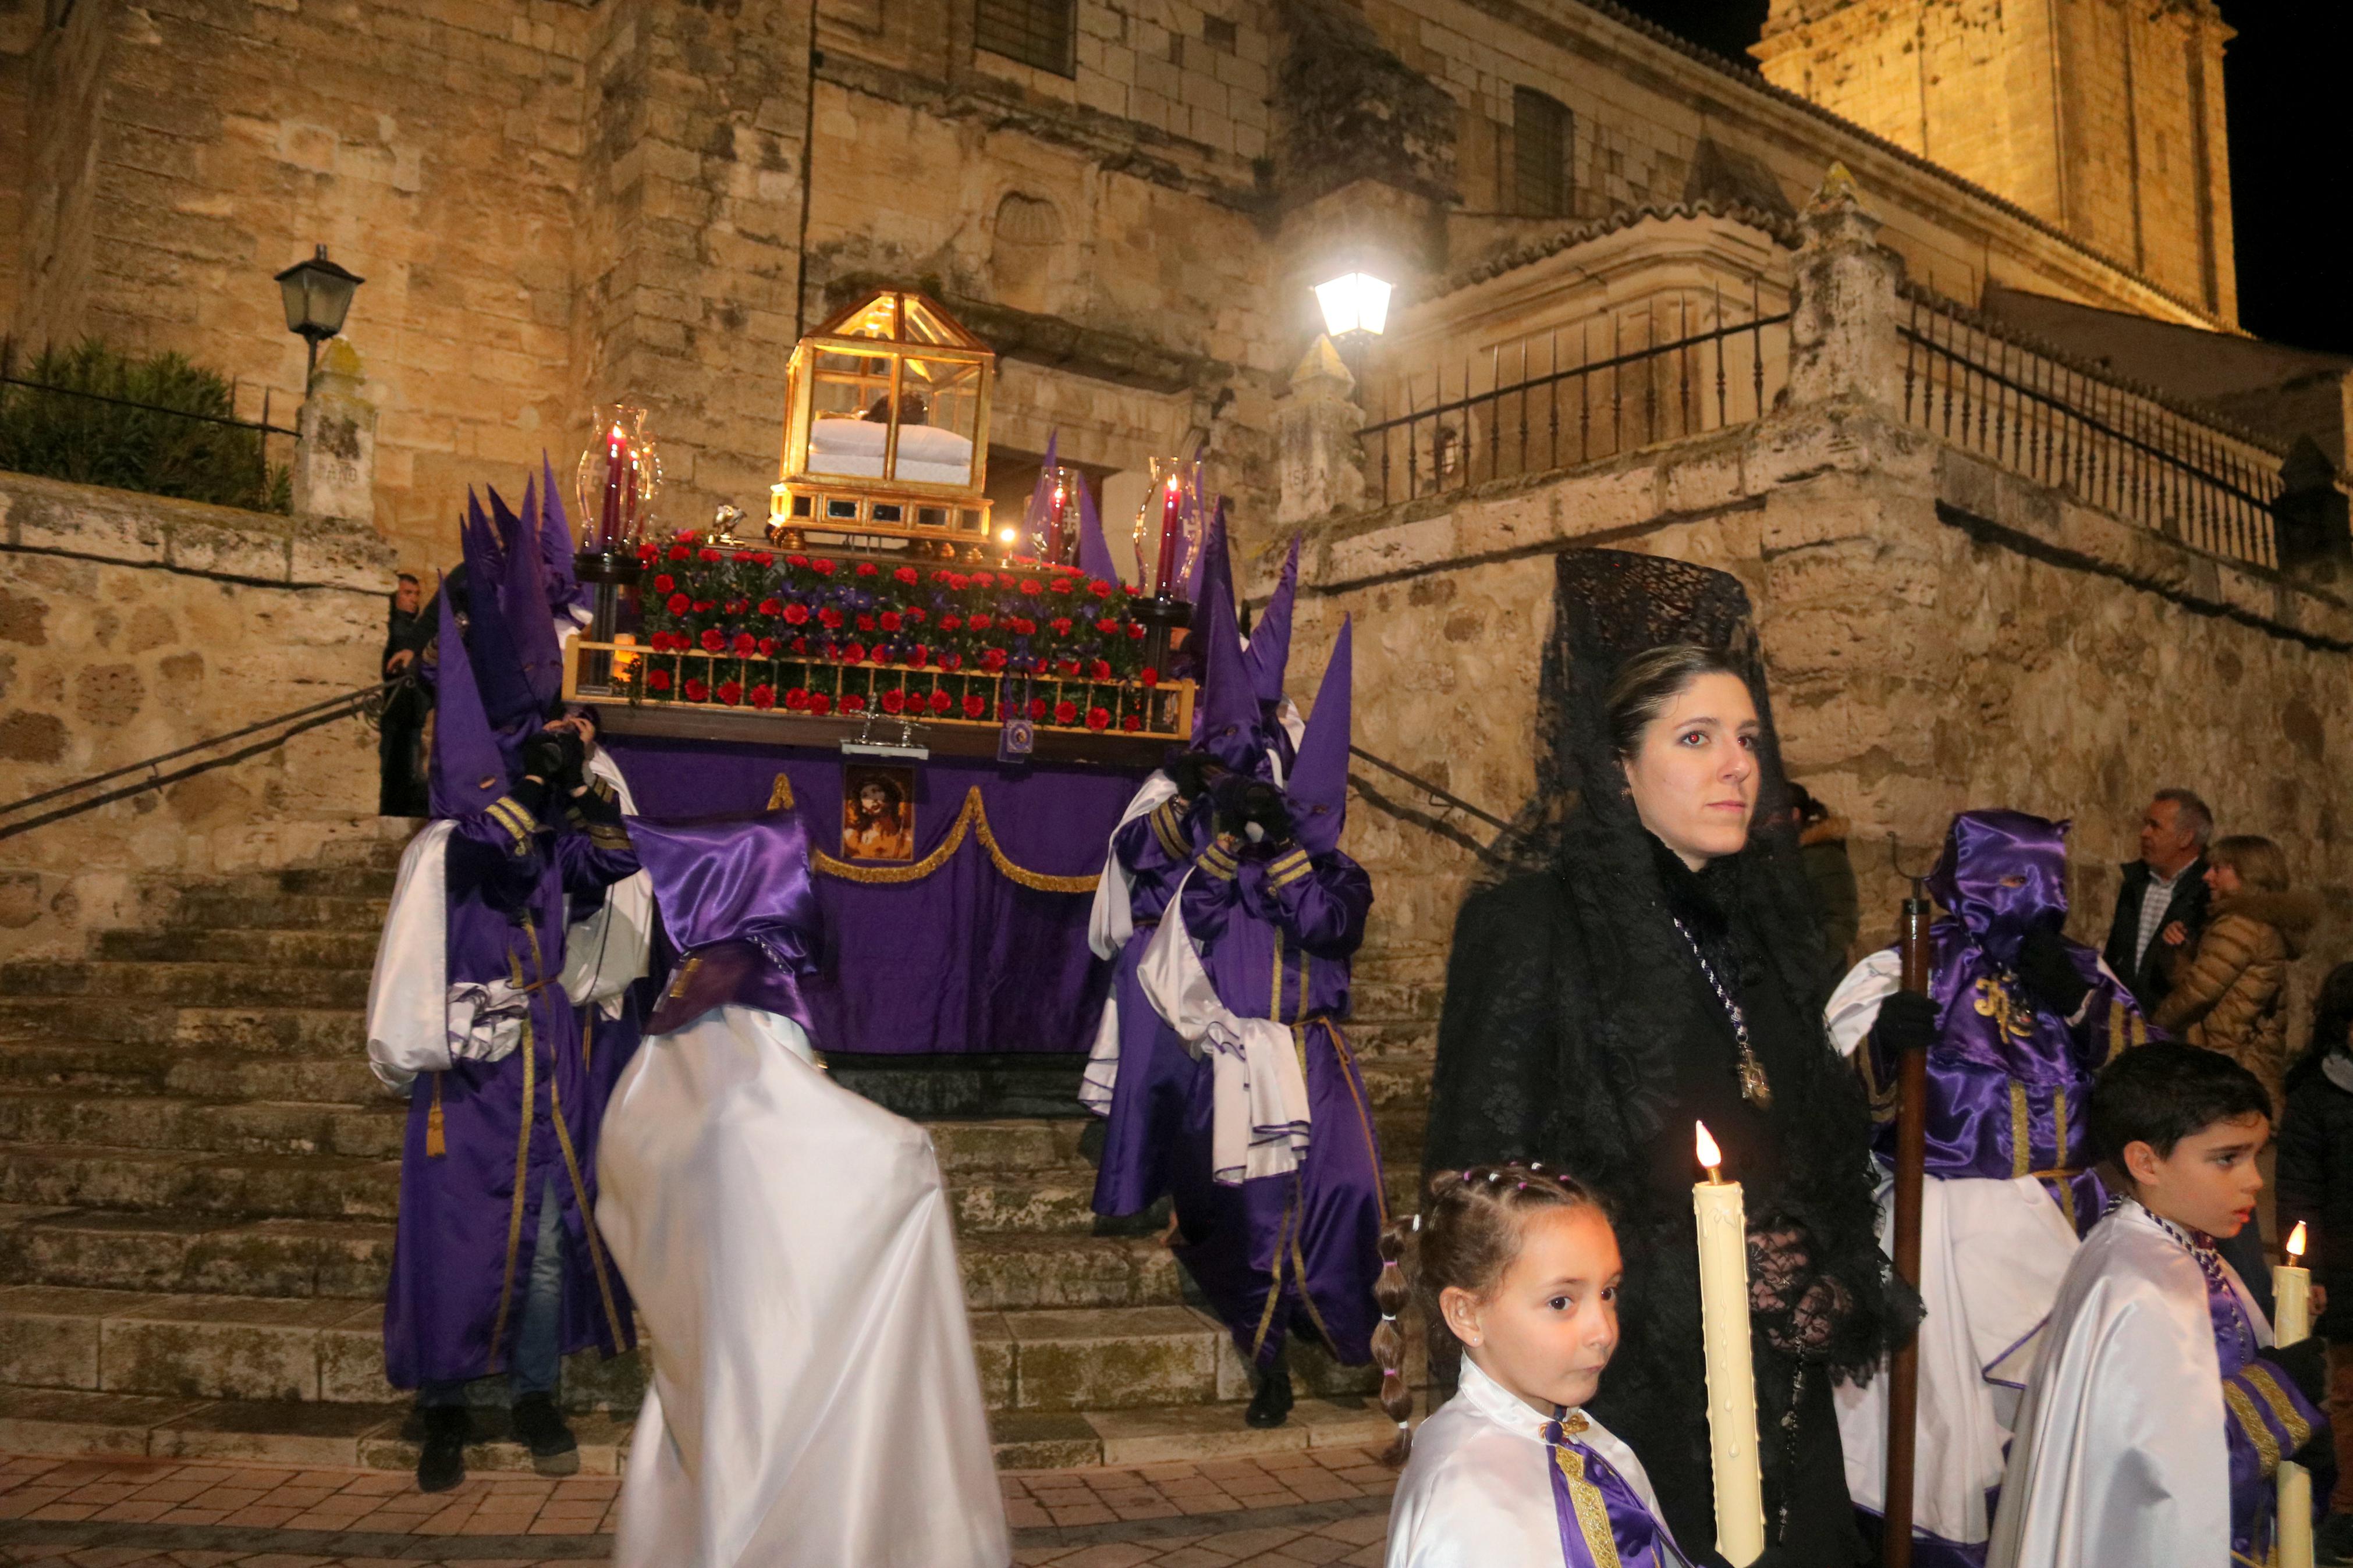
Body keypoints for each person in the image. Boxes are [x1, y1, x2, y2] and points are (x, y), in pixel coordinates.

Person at [1426, 550, 1903, 1566]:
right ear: (1615, 767)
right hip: (1623, 1397)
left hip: (1773, 1399)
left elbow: (1795, 1146)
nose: (1738, 766)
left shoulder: (1757, 936)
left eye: (1745, 739)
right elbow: (1481, 1188)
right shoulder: (1532, 927)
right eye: (1694, 739)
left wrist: (1817, 1270)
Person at [597, 810, 1009, 1568]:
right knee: (780, 1468)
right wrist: (900, 1154)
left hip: (701, 1304)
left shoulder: (683, 996)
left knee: (704, 1456)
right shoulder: (748, 991)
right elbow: (779, 1125)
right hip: (763, 1314)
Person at [365, 500, 641, 1494]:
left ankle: (535, 1395)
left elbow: (608, 866)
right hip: (469, 1064)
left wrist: (586, 784)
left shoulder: (544, 820)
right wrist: (536, 772)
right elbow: (494, 840)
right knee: (454, 1232)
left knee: (552, 1235)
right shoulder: (449, 847)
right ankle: (442, 1405)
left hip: (548, 1050)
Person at [1822, 809, 2149, 1561]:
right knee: (1960, 1430)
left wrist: (2078, 1003)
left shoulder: (2079, 972)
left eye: (2046, 880)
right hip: (1949, 1232)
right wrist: (1883, 1047)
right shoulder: (1902, 967)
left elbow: (2154, 1086)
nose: (2029, 897)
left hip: (2077, 1220)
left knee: (2074, 1418)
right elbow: (1829, 1108)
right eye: (2008, 879)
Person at [1146, 605, 1383, 1430]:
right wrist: (1225, 839)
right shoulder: (1229, 869)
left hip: (1315, 1055)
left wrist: (1286, 852)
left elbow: (1323, 924)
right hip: (1242, 1060)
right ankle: (1268, 1361)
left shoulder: (1339, 876)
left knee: (1342, 1192)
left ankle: (1335, 1324)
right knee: (1250, 1209)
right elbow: (1193, 920)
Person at [1989, 1041, 2330, 1567]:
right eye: (2227, 1158)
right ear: (2145, 1161)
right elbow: (2157, 1473)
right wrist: (2283, 1393)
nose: (2254, 1179)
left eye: (2254, 1154)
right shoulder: (2143, 1280)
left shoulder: (2169, 1244)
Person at [1081, 512, 1293, 1221]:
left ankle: (1212, 1212)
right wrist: (1195, 800)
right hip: (1162, 948)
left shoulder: (1271, 778)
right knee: (1157, 1054)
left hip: (1236, 949)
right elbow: (1133, 853)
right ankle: (1138, 1189)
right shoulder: (1170, 788)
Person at [1380, 1162, 1691, 1567]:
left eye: (1608, 1291)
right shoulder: (1469, 1497)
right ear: (1466, 1314)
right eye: (1560, 1302)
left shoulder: (1587, 1438)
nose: (1602, 1331)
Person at [2270, 963, 2353, 1562]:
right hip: (2345, 1270)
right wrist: (2310, 1275)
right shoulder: (2316, 1097)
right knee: (2346, 1394)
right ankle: (2345, 1515)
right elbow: (2298, 1194)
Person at [2155, 833, 2320, 1114]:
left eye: (2219, 869)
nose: (2207, 877)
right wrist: (2179, 955)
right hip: (2245, 1063)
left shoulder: (2240, 926)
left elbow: (2198, 994)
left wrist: (2152, 1029)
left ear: (2249, 874)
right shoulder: (2258, 924)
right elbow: (2209, 984)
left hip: (2227, 1065)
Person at [2101, 788, 2214, 1010]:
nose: (2144, 833)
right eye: (2146, 824)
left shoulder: (2208, 891)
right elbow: (2116, 953)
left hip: (2173, 1024)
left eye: (2155, 826)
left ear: (2185, 838)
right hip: (2124, 1019)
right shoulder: (2135, 883)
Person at [379, 572, 434, 816]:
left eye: (416, 594)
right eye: (407, 593)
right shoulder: (394, 626)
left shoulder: (416, 629)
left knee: (407, 767)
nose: (413, 599)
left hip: (412, 710)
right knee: (392, 764)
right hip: (393, 708)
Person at [1790, 782, 1858, 969]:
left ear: (1793, 814)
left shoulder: (1825, 857)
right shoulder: (1771, 855)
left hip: (1815, 982)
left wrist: (1809, 970)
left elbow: (1841, 923)